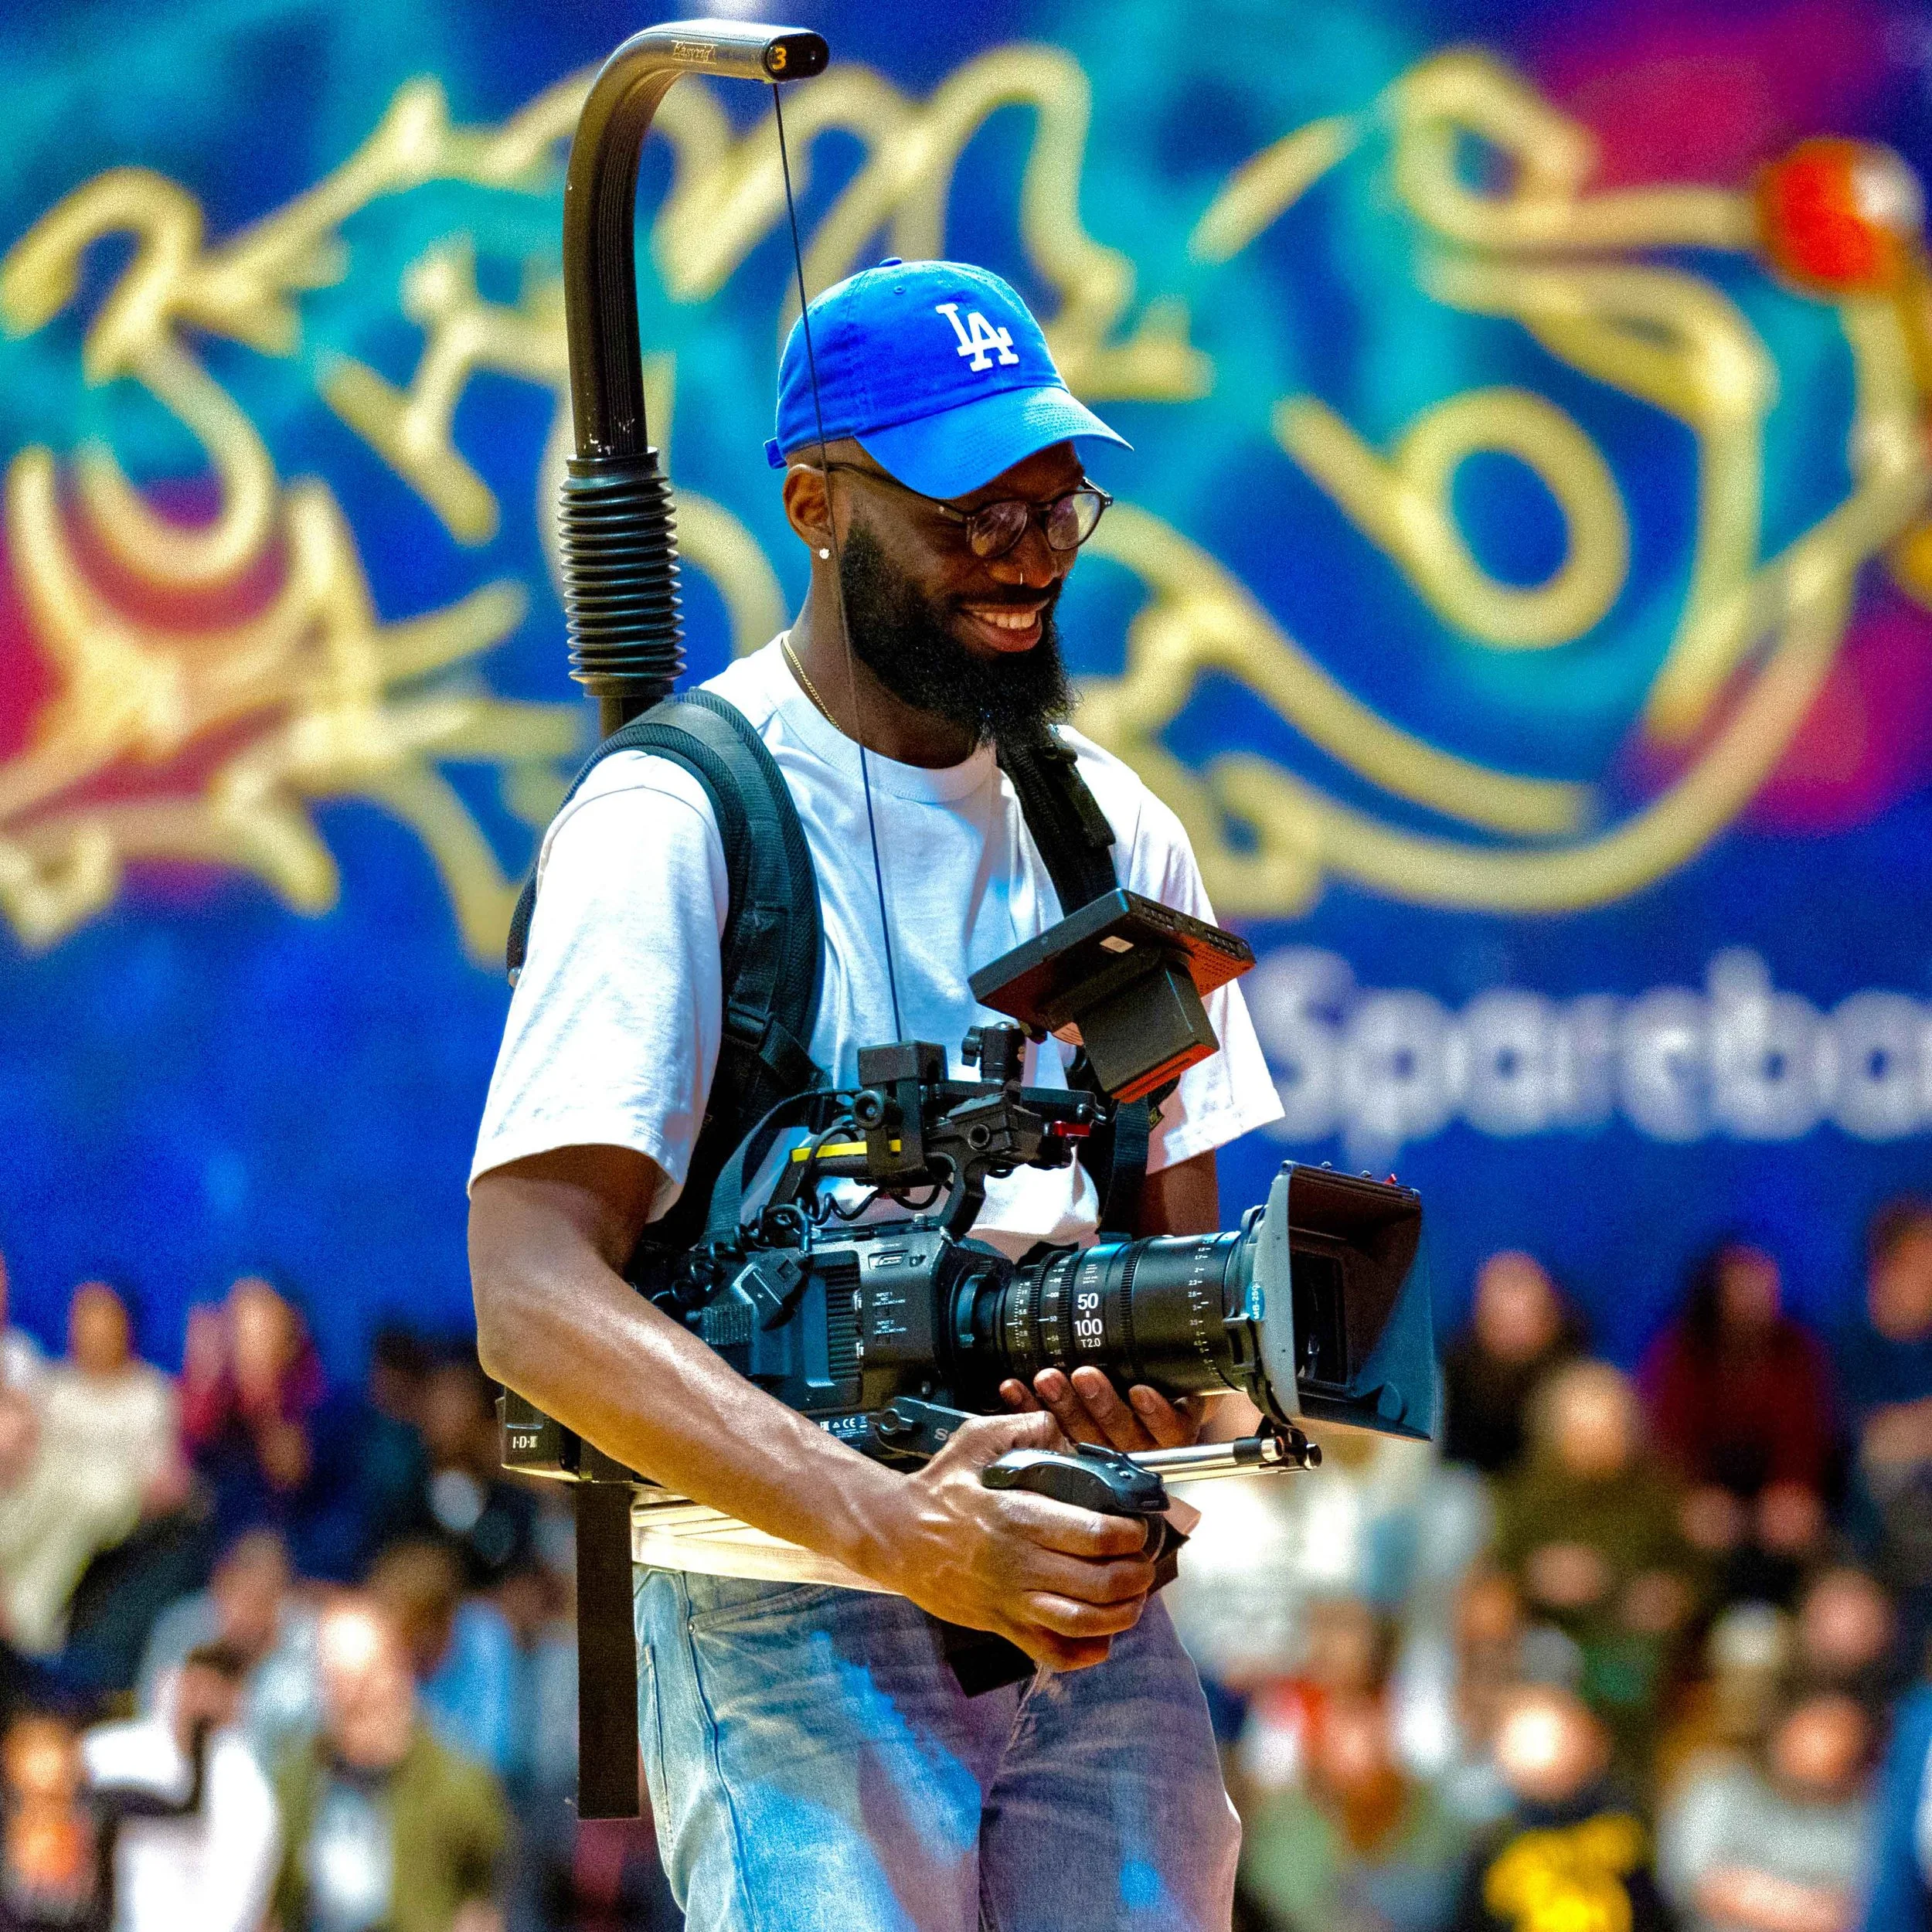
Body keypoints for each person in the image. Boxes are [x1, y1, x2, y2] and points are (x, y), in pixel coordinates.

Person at [468, 258, 1282, 1929]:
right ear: (814, 504)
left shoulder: (1106, 830)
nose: (1026, 560)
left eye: (1057, 509)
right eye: (972, 512)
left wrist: (1148, 1394)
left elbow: (1172, 1237)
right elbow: (528, 1292)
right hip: (785, 1600)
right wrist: (894, 1525)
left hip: (1079, 1582)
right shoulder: (673, 819)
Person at [1491, 1362, 1701, 1782]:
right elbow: (1497, 1574)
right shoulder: (1524, 1493)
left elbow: (1693, 1574)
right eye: (1584, 1431)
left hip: (1632, 1642)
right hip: (1548, 1639)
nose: (1598, 1443)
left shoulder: (1659, 1492)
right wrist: (1538, 1578)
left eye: (1609, 1430)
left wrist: (1672, 1597)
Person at [268, 1600, 506, 1932]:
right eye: (336, 1681)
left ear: (397, 1673)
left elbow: (484, 1896)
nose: (351, 1698)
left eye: (364, 1679)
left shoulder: (458, 1782)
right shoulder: (295, 1780)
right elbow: (273, 1903)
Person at [1640, 1241, 1834, 1600]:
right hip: (1700, 1493)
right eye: (1743, 1282)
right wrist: (1691, 1497)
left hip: (1777, 1494)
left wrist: (1793, 1489)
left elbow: (1809, 1436)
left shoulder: (1799, 1350)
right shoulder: (1680, 1351)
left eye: (1764, 1282)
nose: (1757, 1294)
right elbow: (1666, 1443)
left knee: (1797, 1529)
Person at [81, 1643, 281, 1932]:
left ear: (236, 1700)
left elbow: (237, 1906)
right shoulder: (114, 1751)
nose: (196, 1702)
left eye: (210, 1691)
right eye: (191, 1687)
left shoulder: (250, 1796)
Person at [1448, 1684, 1672, 1932]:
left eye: (1561, 1738)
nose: (1547, 1753)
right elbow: (1468, 1917)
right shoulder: (1495, 1840)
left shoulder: (1624, 1828)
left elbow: (1654, 1909)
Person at [1237, 1692, 1467, 1932]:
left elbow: (1439, 1897)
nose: (1353, 1751)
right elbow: (1273, 1907)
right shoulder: (1288, 1828)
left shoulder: (1430, 1811)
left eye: (1366, 1730)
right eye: (1337, 1737)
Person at [1659, 1686, 1871, 1932]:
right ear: (1784, 1727)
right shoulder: (1719, 1783)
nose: (1828, 1744)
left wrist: (1750, 1890)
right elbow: (1691, 1879)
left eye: (1843, 1733)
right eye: (1819, 1727)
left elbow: (1859, 1909)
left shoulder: (1867, 1815)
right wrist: (1801, 1909)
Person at [138, 1530, 321, 1770]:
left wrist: (240, 1714)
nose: (247, 1617)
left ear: (281, 1600)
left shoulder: (303, 1644)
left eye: (261, 1603)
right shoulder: (179, 1631)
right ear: (221, 1584)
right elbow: (150, 1720)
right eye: (239, 1596)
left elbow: (301, 1747)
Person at [1441, 1253, 1583, 1477]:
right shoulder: (1452, 1379)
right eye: (1501, 1321)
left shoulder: (1576, 1380)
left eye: (1525, 1318)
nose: (1514, 1336)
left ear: (1550, 1317)